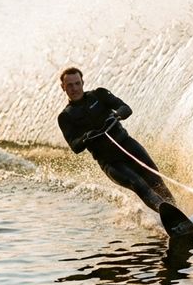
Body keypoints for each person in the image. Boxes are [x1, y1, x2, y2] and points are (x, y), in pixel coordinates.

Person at [57, 66, 177, 213]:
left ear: (83, 82)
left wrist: (116, 115)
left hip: (128, 145)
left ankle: (177, 212)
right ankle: (168, 215)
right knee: (137, 183)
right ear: (63, 87)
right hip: (109, 162)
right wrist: (86, 137)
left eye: (77, 83)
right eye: (69, 85)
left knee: (155, 180)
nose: (74, 88)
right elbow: (75, 146)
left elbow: (125, 108)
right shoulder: (65, 117)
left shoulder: (99, 95)